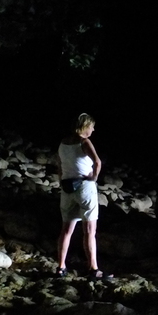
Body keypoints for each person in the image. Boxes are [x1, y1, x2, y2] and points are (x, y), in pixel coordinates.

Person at [56, 113, 110, 280]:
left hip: (67, 188)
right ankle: (93, 269)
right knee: (89, 231)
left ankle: (60, 267)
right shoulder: (84, 142)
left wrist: (61, 181)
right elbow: (98, 162)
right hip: (84, 187)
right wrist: (93, 177)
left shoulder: (63, 143)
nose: (93, 129)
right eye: (92, 126)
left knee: (66, 230)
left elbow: (59, 164)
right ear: (85, 127)